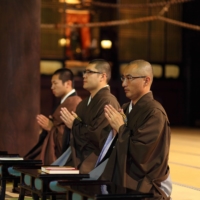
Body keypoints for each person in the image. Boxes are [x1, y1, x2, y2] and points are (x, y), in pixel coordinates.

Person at [102, 60, 172, 200]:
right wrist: (115, 132)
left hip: (144, 187)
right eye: (123, 78)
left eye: (130, 78)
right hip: (123, 182)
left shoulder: (155, 112)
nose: (123, 84)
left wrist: (121, 128)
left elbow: (141, 152)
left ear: (146, 81)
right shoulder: (127, 108)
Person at [60, 59, 120, 173]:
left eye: (89, 72)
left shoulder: (108, 101)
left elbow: (100, 137)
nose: (84, 76)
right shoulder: (83, 103)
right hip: (78, 158)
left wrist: (74, 125)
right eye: (84, 72)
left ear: (102, 76)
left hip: (94, 163)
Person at [24, 68, 82, 165]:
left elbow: (72, 134)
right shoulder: (64, 102)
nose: (52, 87)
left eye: (55, 83)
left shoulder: (74, 102)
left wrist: (51, 128)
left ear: (68, 83)